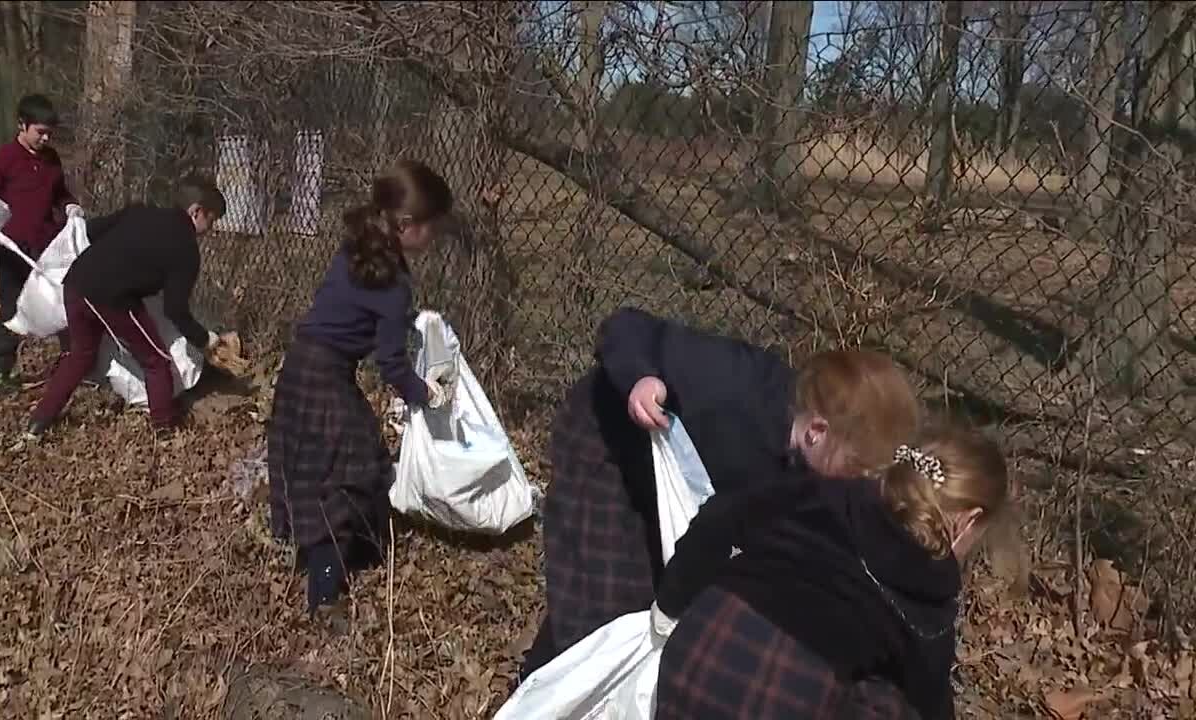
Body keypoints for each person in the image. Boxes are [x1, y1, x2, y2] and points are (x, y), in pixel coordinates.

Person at [521, 308, 922, 677]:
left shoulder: (811, 469)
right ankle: (550, 690)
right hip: (607, 434)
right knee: (604, 603)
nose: (856, 487)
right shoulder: (735, 385)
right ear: (816, 432)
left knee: (656, 595)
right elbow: (624, 326)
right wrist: (642, 377)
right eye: (855, 470)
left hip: (678, 485)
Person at [650, 423, 1020, 720]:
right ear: (970, 521)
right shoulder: (931, 594)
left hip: (695, 652)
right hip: (771, 697)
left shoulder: (826, 491)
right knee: (892, 698)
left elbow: (721, 516)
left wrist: (671, 601)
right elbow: (929, 699)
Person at [267, 159, 454, 613]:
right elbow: (391, 365)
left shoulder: (357, 250)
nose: (435, 237)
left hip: (299, 367)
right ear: (407, 225)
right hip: (327, 377)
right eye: (432, 228)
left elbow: (355, 312)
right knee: (350, 471)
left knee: (309, 460)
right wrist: (426, 392)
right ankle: (325, 594)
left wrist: (406, 323)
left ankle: (294, 540)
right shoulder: (394, 282)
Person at [24, 175, 228, 440]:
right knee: (156, 360)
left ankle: (38, 422)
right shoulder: (186, 248)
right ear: (196, 211)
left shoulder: (139, 211)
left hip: (75, 283)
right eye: (210, 221)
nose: (209, 229)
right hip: (111, 298)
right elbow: (175, 310)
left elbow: (92, 231)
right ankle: (164, 429)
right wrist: (205, 339)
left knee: (81, 355)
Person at [0, 94, 82, 393]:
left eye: (50, 132)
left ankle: (72, 365)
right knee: (13, 309)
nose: (46, 138)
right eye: (40, 132)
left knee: (62, 303)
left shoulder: (51, 159)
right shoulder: (4, 158)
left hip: (48, 247)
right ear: (22, 125)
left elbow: (60, 192)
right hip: (13, 248)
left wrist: (70, 206)